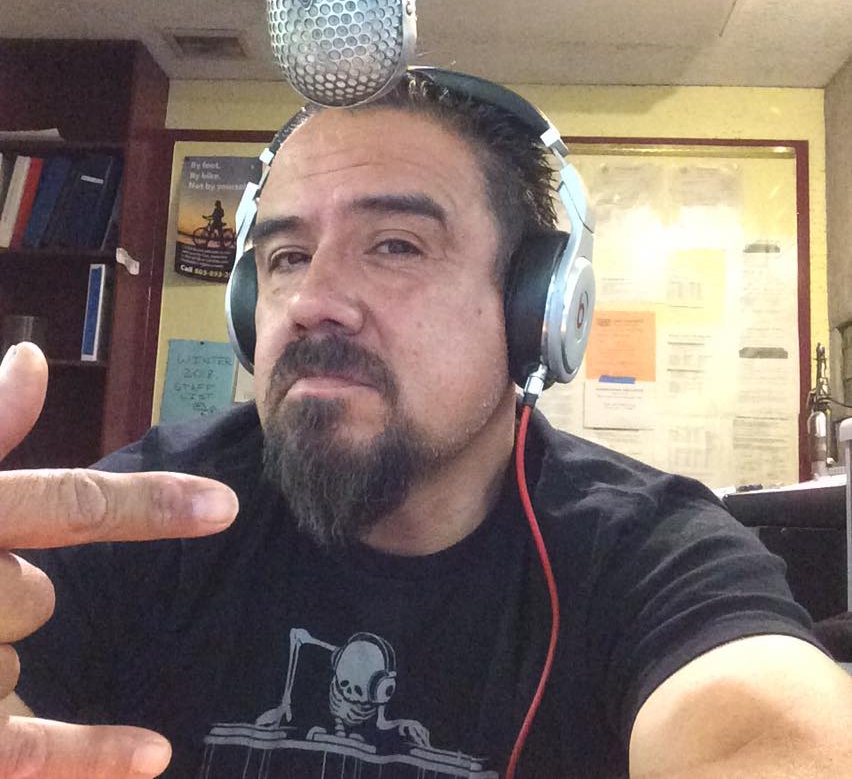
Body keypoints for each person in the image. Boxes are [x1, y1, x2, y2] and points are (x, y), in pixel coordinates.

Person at [2, 72, 852, 779]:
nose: (312, 302)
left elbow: (761, 726)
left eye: (396, 246)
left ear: (536, 312)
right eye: (287, 257)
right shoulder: (151, 515)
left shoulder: (650, 553)